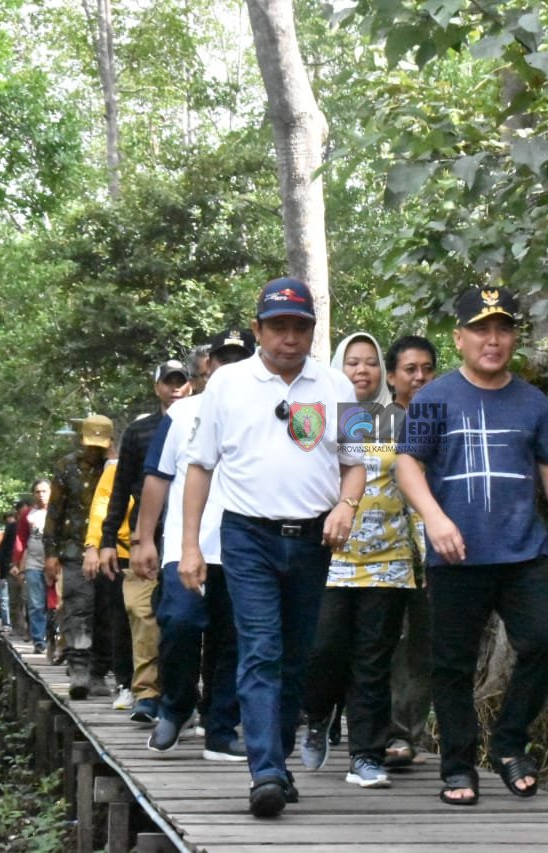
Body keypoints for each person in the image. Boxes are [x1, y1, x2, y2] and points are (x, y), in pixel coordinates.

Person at [179, 277, 365, 818]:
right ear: (258, 328)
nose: (289, 337)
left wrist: (344, 508)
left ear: (312, 331)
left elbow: (357, 465)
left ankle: (277, 761)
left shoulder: (338, 387)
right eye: (278, 326)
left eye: (300, 327)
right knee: (259, 647)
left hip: (312, 539)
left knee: (296, 654)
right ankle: (264, 770)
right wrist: (190, 546)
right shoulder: (227, 384)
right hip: (247, 535)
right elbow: (199, 468)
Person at [396, 286, 548, 807]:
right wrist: (434, 518)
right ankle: (458, 767)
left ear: (514, 337)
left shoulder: (532, 401)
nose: (493, 339)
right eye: (481, 329)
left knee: (544, 643)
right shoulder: (435, 398)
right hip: (457, 557)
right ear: (459, 338)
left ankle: (508, 743)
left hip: (524, 553)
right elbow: (407, 463)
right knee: (451, 665)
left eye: (502, 328)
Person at [299, 332, 417, 789]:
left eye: (370, 363)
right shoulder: (316, 415)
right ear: (336, 369)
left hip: (389, 559)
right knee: (322, 649)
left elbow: (420, 483)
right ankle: (319, 713)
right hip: (328, 558)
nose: (361, 371)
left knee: (373, 661)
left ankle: (366, 756)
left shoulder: (403, 419)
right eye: (352, 363)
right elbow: (298, 473)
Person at [132, 329, 256, 763]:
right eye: (223, 359)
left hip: (245, 547)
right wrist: (144, 538)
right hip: (187, 546)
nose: (231, 367)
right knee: (180, 626)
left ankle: (220, 727)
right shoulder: (184, 413)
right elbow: (157, 477)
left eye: (241, 358)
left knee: (234, 640)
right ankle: (175, 708)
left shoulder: (267, 410)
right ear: (209, 366)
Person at [97, 357, 190, 723]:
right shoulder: (139, 433)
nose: (175, 387)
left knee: (183, 619)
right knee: (143, 612)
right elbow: (120, 489)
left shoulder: (202, 423)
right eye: (168, 381)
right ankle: (148, 694)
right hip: (147, 538)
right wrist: (107, 540)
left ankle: (185, 696)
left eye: (181, 380)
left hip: (190, 537)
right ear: (157, 388)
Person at [382, 335, 437, 767]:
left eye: (426, 369)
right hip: (380, 550)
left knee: (422, 644)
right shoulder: (372, 421)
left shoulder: (447, 415)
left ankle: (407, 735)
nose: (419, 377)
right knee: (383, 640)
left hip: (434, 549)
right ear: (392, 377)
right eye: (409, 370)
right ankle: (376, 728)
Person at [45, 414, 114, 699]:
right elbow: (54, 513)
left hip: (109, 550)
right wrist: (51, 554)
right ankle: (79, 671)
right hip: (74, 551)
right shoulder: (66, 467)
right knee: (78, 609)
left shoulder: (116, 468)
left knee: (106, 613)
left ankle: (99, 672)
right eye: (90, 444)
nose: (94, 450)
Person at [85, 442, 137, 710]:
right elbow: (100, 509)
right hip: (120, 551)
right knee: (121, 619)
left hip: (163, 549)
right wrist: (94, 545)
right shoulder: (115, 471)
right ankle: (125, 683)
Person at [13, 480, 52, 654]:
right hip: (33, 563)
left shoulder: (57, 511)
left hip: (55, 563)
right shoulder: (28, 514)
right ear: (33, 494)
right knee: (35, 603)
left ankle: (55, 639)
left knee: (54, 604)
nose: (41, 494)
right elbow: (20, 539)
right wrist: (17, 563)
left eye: (44, 491)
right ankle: (39, 640)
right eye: (37, 491)